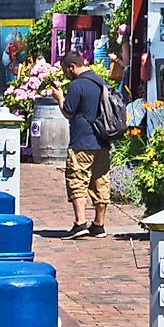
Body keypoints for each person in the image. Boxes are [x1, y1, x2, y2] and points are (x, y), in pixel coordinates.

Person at [62, 51, 115, 237]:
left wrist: (59, 97)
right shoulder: (101, 82)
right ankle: (99, 224)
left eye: (65, 71)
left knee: (78, 179)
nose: (65, 75)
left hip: (82, 141)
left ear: (72, 67)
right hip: (102, 139)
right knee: (101, 181)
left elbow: (68, 111)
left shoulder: (77, 85)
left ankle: (80, 222)